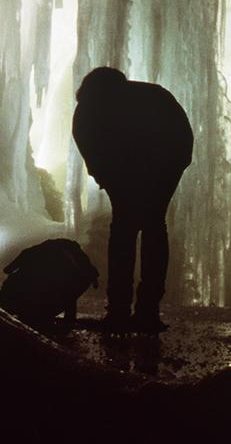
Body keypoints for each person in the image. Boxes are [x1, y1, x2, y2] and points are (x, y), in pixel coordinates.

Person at [72, 67, 192, 334]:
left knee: (135, 230)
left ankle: (132, 310)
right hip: (135, 171)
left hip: (160, 167)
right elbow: (92, 152)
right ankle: (136, 310)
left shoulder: (148, 101)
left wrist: (165, 174)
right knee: (142, 230)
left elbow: (180, 141)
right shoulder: (90, 111)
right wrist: (109, 178)